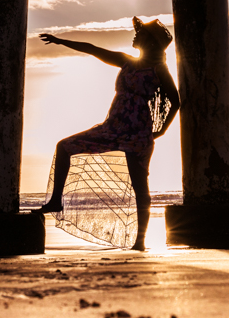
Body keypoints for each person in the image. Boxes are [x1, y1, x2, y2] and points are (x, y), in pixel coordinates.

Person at [35, 17, 180, 251]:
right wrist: (61, 41)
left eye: (140, 33)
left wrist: (161, 130)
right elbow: (93, 49)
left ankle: (140, 242)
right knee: (65, 146)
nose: (135, 35)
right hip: (111, 128)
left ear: (151, 42)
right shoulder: (126, 61)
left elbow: (175, 101)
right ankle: (56, 201)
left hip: (137, 133)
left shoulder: (158, 68)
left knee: (140, 187)